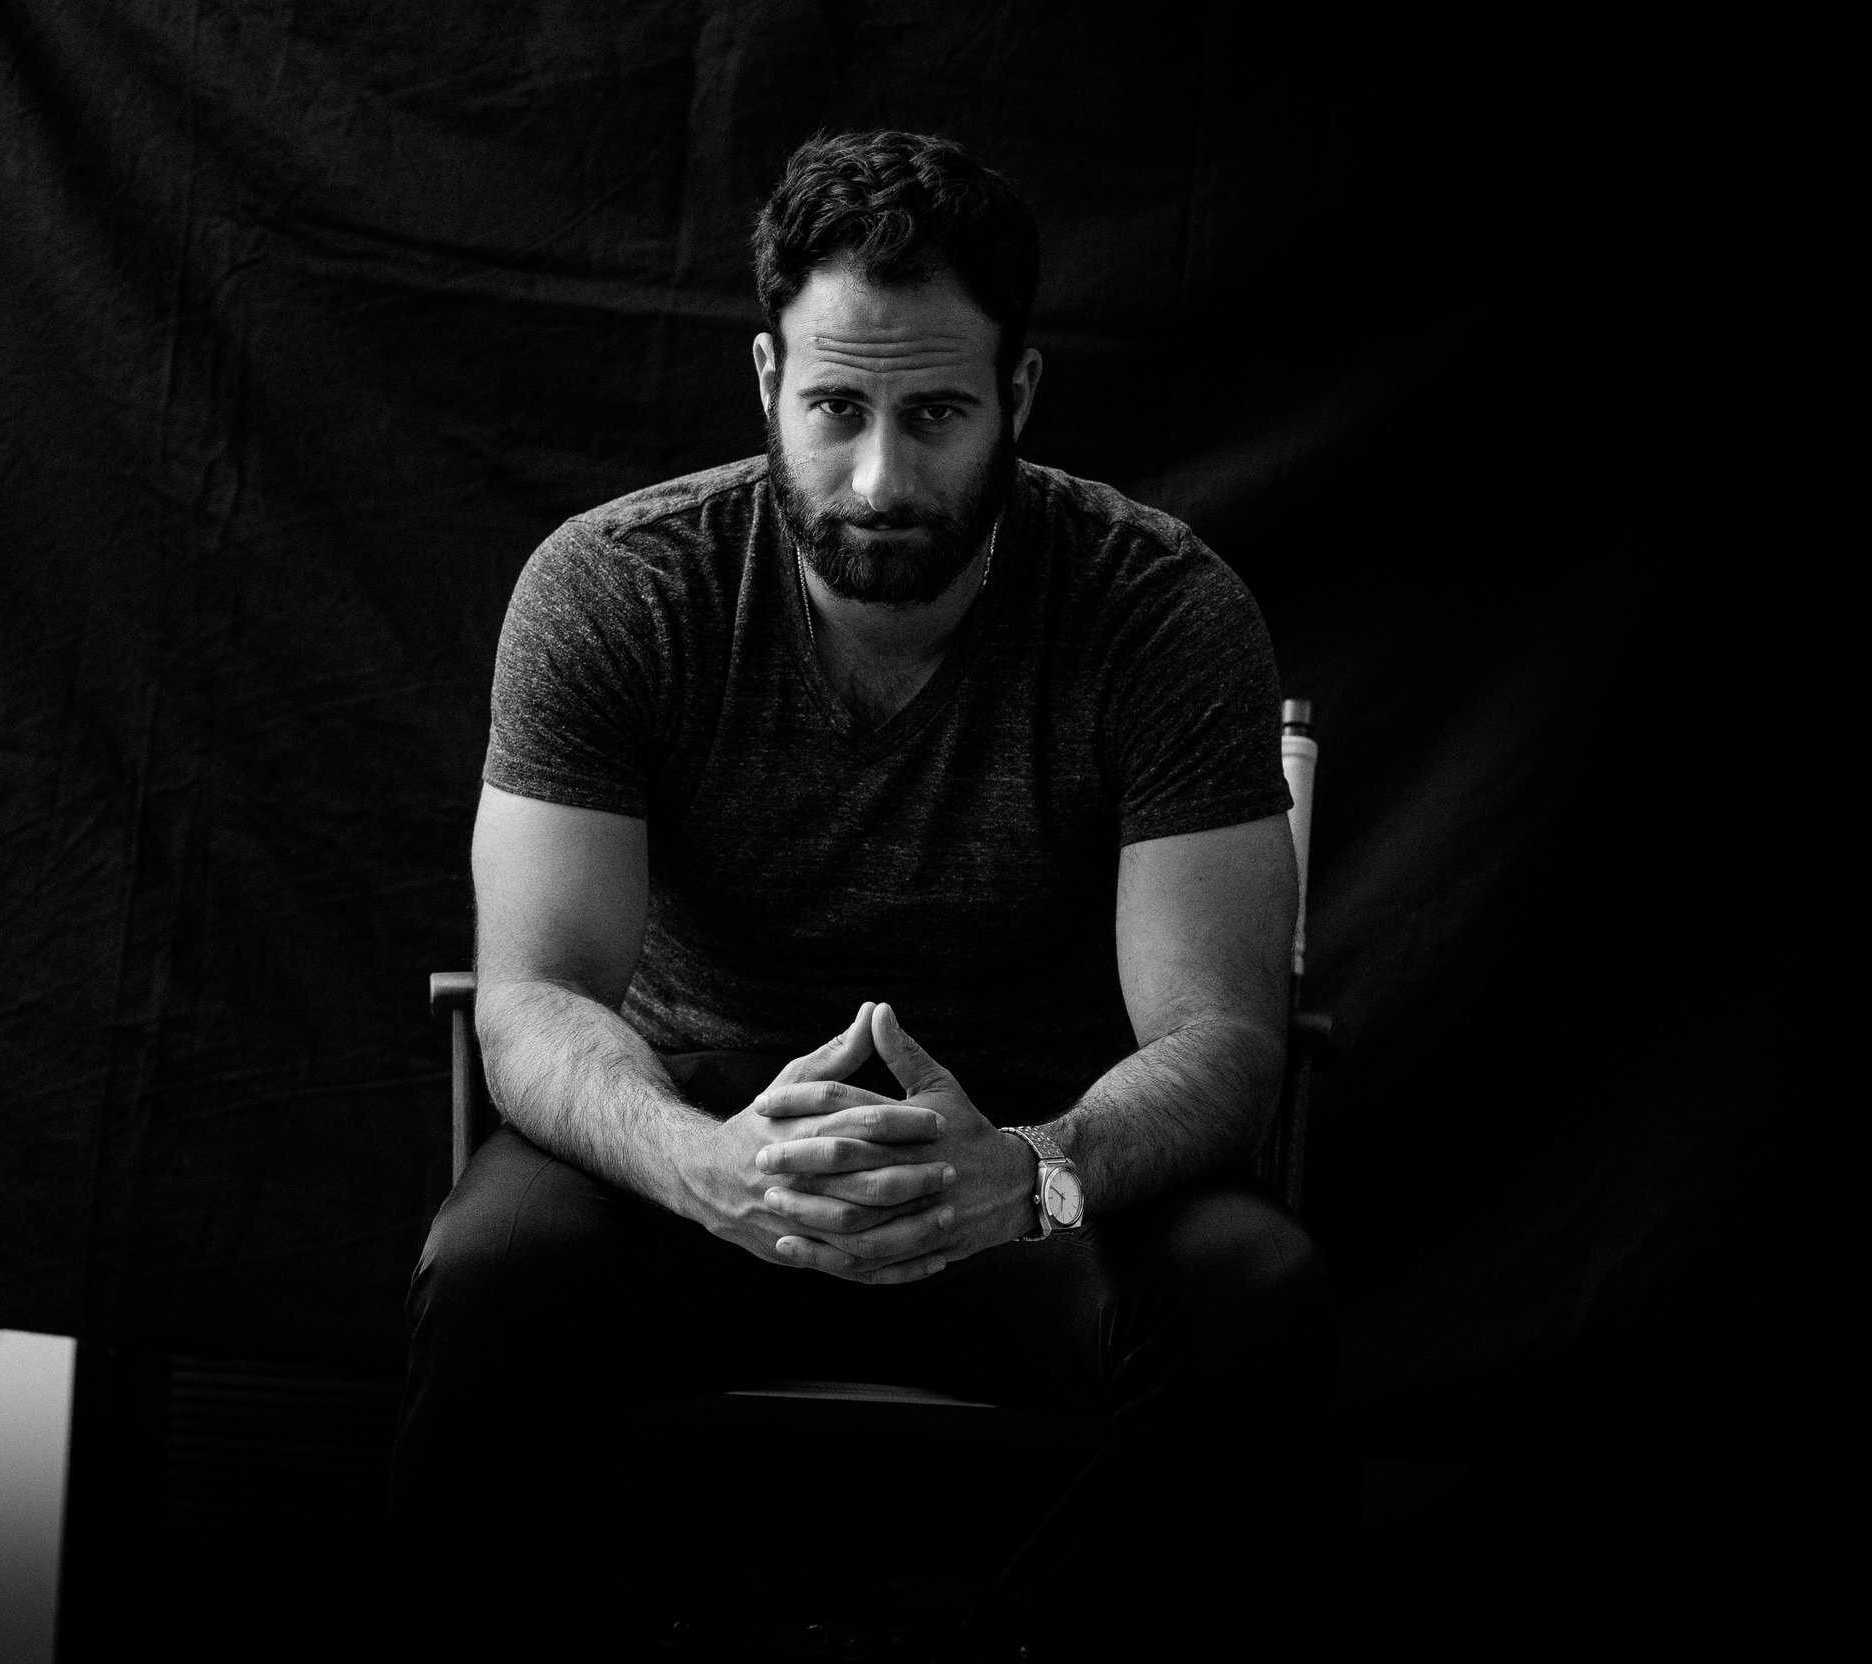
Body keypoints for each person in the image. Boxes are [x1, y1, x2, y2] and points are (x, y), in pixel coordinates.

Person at [392, 129, 1336, 1652]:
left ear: (1019, 394)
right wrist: (703, 1163)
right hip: (696, 1153)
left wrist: (1029, 1171)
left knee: (1253, 1293)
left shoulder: (1161, 610)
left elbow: (1224, 1037)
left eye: (938, 412)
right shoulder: (618, 586)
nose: (882, 477)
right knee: (495, 1275)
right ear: (769, 378)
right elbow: (535, 998)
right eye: (837, 407)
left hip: (1034, 1173)